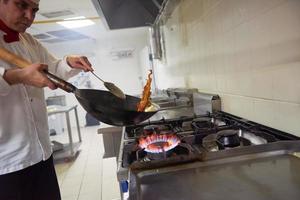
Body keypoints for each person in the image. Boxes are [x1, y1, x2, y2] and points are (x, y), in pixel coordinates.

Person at [0, 0, 94, 199]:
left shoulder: (30, 42)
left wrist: (68, 62)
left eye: (34, 10)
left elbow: (53, 69)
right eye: (21, 5)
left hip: (42, 154)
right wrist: (16, 76)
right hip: (6, 166)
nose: (30, 16)